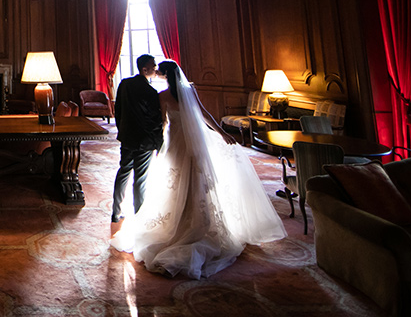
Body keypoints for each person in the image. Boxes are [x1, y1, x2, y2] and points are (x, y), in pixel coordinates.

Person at [113, 60, 287, 279]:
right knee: (197, 181)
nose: (157, 73)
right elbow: (204, 114)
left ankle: (182, 222)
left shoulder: (163, 97)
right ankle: (198, 221)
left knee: (176, 183)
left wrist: (159, 146)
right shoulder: (189, 91)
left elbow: (163, 125)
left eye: (160, 72)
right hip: (195, 145)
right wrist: (222, 132)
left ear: (166, 76)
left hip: (176, 145)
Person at [111, 54, 164, 223]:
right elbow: (155, 120)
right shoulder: (150, 92)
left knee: (123, 172)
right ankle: (139, 216)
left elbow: (117, 110)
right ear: (144, 69)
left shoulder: (124, 84)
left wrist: (122, 130)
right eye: (153, 65)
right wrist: (158, 143)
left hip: (127, 137)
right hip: (144, 141)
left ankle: (115, 211)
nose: (156, 68)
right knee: (140, 179)